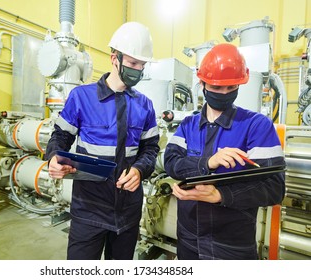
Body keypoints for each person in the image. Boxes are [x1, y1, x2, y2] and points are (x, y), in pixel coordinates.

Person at [45, 22, 160, 260]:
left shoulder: (145, 105)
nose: (137, 70)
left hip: (128, 213)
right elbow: (60, 137)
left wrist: (139, 170)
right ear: (114, 58)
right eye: (132, 63)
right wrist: (54, 158)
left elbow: (150, 149)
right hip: (89, 210)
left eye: (142, 65)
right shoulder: (82, 97)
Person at [164, 43, 286, 260]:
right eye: (217, 88)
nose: (224, 93)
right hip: (188, 241)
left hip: (232, 248)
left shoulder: (256, 125)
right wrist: (207, 162)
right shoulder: (189, 125)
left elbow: (274, 187)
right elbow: (171, 162)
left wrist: (221, 195)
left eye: (231, 88)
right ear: (202, 83)